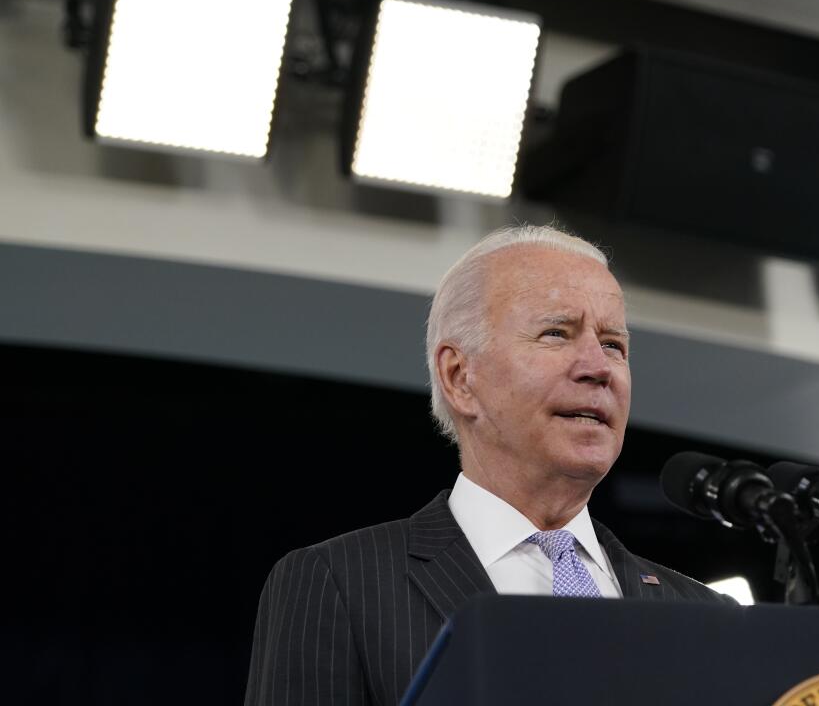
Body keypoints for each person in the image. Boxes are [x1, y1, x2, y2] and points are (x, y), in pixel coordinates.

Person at [242, 225, 729, 706]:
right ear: (459, 378)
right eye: (556, 333)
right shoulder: (342, 584)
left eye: (613, 345)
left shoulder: (705, 616)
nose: (598, 368)